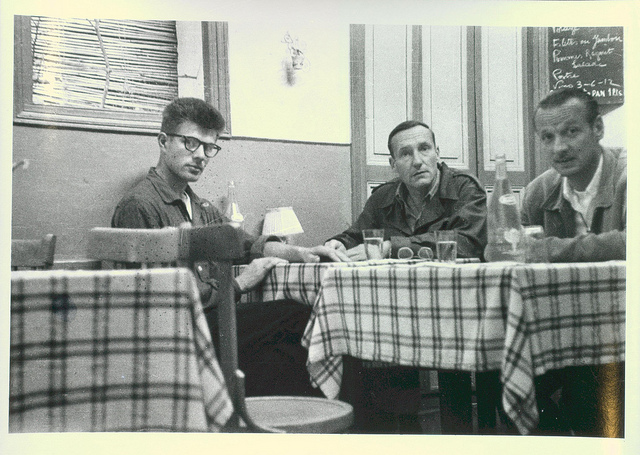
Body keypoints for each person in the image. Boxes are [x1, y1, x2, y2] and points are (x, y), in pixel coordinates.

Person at [112, 97, 348, 399]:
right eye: (190, 143)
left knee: (284, 353)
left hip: (204, 323)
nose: (201, 156)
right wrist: (239, 284)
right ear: (163, 141)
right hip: (171, 332)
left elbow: (246, 244)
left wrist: (299, 253)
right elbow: (158, 297)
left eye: (209, 148)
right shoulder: (139, 205)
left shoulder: (199, 205)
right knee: (296, 316)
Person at [325, 120, 487, 434]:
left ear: (437, 152)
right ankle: (403, 435)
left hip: (456, 311)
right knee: (376, 343)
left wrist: (392, 247)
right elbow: (355, 235)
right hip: (399, 313)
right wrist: (337, 244)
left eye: (425, 148)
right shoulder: (383, 196)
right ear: (393, 164)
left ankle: (460, 440)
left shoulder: (465, 187)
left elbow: (468, 242)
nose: (417, 160)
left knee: (453, 380)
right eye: (405, 153)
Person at [521, 88, 626, 436]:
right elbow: (508, 250)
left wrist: (549, 250)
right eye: (547, 137)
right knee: (505, 376)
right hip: (564, 333)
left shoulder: (629, 175)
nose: (559, 148)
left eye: (571, 132)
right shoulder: (539, 191)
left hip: (626, 333)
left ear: (598, 128)